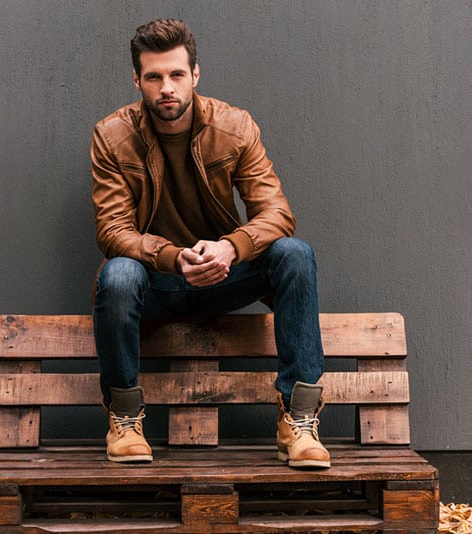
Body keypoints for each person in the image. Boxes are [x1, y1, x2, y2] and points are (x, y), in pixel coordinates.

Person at [90, 18, 330, 469]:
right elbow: (113, 230)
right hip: (156, 282)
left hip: (225, 275)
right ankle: (124, 420)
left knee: (295, 254)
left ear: (195, 75)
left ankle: (298, 421)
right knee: (117, 274)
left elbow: (278, 214)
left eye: (177, 75)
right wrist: (172, 257)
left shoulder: (235, 127)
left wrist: (230, 248)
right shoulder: (112, 136)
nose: (167, 88)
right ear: (137, 80)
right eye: (155, 76)